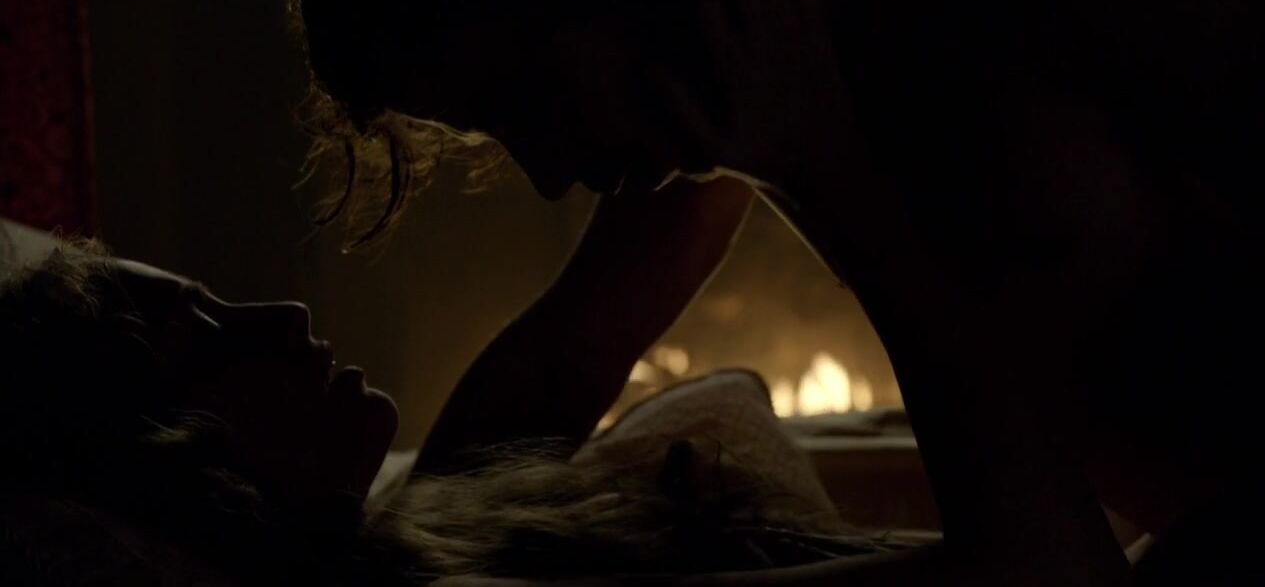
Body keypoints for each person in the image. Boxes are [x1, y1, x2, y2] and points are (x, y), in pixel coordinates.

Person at [294, 0, 1265, 584]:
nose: (548, 172)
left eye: (521, 96)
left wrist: (822, 157)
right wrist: (389, 557)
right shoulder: (725, 74)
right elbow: (564, 359)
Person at [0, 242, 889, 586]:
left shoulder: (414, 522)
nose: (286, 315)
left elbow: (576, 340)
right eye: (205, 334)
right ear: (175, 465)